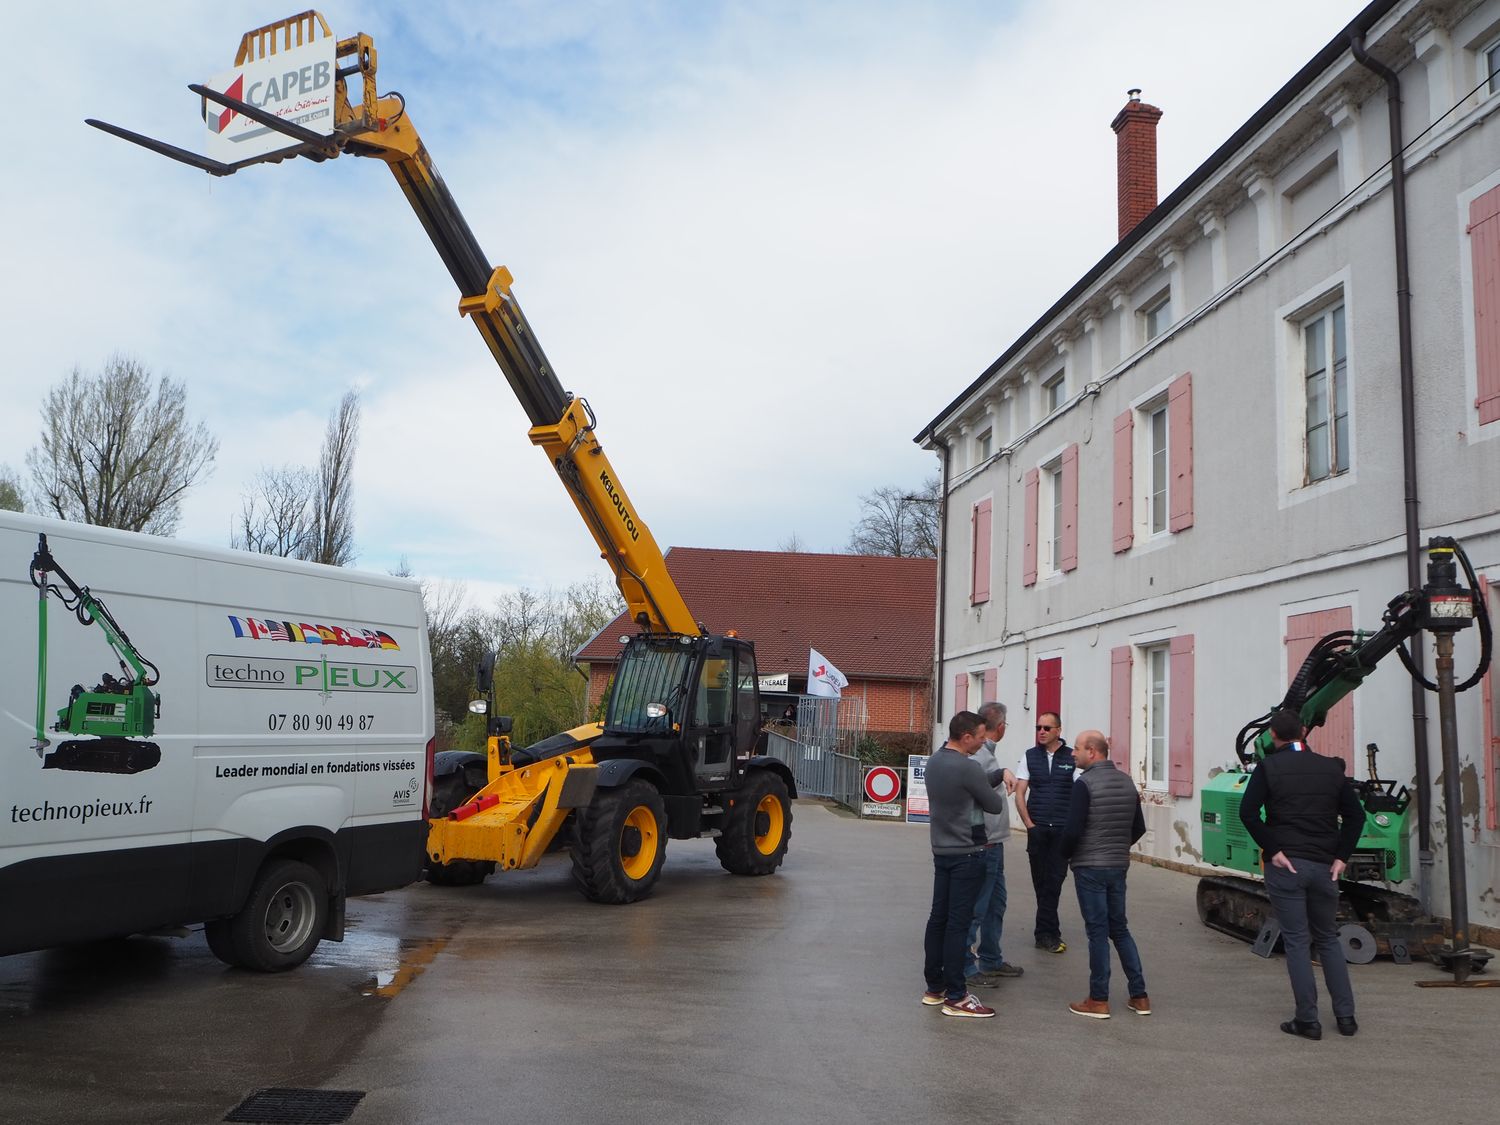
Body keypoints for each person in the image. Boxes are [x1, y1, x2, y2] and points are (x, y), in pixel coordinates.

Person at [1238, 709, 1365, 1040]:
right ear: (1305, 731)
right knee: (1328, 938)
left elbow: (1248, 813)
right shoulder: (1330, 768)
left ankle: (1308, 1020)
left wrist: (1274, 849)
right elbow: (1355, 817)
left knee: (1296, 940)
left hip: (1287, 865)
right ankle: (1346, 1016)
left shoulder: (1269, 767)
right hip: (1325, 866)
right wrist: (1341, 857)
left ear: (1273, 736)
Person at [921, 710, 1010, 1018]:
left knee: (938, 919)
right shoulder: (969, 767)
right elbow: (994, 804)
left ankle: (935, 988)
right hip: (967, 852)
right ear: (967, 736)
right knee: (959, 924)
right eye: (980, 737)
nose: (983, 743)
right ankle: (957, 996)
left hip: (941, 850)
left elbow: (964, 788)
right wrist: (992, 784)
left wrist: (989, 779)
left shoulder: (934, 761)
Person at [1059, 730, 1149, 1019]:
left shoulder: (1084, 784)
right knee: (1119, 929)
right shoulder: (1127, 783)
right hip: (1117, 865)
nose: (1072, 753)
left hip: (1090, 867)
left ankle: (1098, 999)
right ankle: (1140, 995)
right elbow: (1139, 828)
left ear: (1093, 752)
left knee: (1097, 932)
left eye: (1077, 748)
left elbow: (1072, 830)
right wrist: (1119, 848)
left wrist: (1064, 856)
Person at [965, 701, 1023, 987]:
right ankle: (967, 965)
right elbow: (975, 787)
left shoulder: (986, 753)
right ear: (999, 727)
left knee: (995, 904)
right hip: (983, 844)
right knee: (977, 906)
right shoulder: (978, 756)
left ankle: (991, 958)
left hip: (994, 843)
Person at [1014, 711, 1074, 953]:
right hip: (1037, 830)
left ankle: (1045, 933)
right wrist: (1029, 824)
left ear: (1058, 731)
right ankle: (1048, 933)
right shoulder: (1030, 756)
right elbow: (1019, 793)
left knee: (1055, 880)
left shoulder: (1072, 757)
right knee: (1041, 882)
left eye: (1047, 728)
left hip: (1061, 830)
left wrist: (1073, 827)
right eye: (1039, 727)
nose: (1041, 731)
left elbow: (1080, 793)